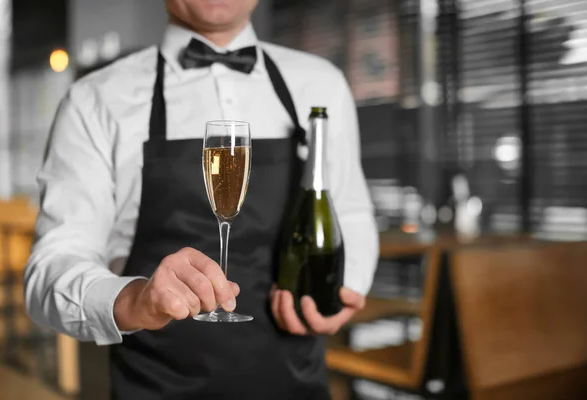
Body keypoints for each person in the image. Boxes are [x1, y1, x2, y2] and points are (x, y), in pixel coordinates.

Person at [24, 0, 379, 398]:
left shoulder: (321, 83)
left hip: (297, 382)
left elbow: (350, 211)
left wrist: (337, 291)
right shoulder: (94, 100)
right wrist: (135, 299)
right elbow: (49, 273)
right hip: (155, 385)